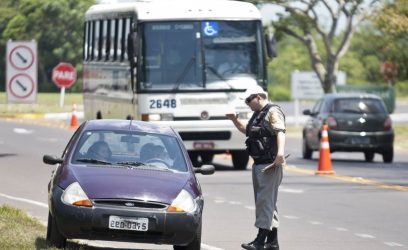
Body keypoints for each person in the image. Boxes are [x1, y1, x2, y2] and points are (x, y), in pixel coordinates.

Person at [226, 85, 286, 250]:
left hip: (270, 164)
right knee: (268, 203)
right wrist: (234, 120)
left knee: (264, 202)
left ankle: (260, 241)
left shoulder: (273, 111)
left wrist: (280, 153)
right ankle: (272, 242)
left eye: (248, 100)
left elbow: (280, 131)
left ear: (258, 97)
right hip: (259, 164)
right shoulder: (258, 115)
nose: (247, 103)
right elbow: (248, 131)